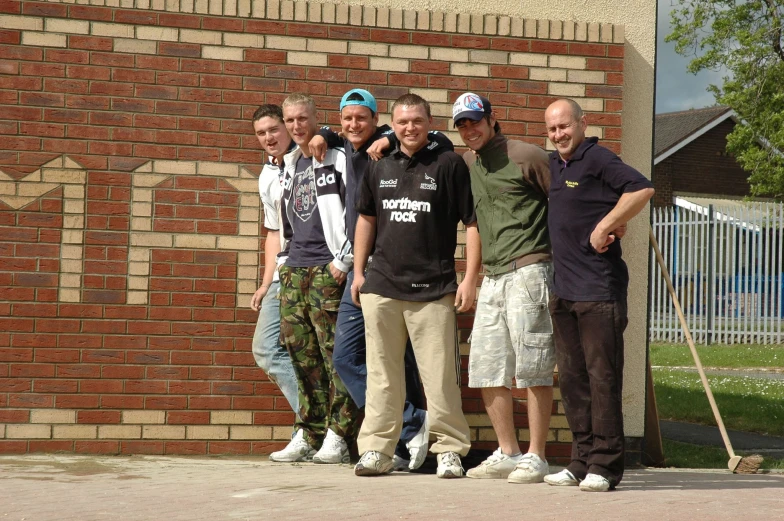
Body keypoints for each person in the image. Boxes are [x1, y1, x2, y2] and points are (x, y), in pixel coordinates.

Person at [309, 89, 454, 471]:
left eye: (362, 118)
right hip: (370, 274)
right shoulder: (345, 145)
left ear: (377, 122)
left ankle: (412, 440)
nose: (353, 125)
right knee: (352, 358)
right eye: (346, 119)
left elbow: (440, 138)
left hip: (414, 277)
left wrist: (390, 135)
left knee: (408, 365)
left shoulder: (390, 144)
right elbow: (365, 218)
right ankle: (413, 424)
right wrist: (324, 130)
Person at [351, 93, 477, 478]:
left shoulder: (449, 163)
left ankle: (450, 451)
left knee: (440, 378)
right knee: (382, 376)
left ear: (428, 122)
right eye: (403, 122)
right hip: (382, 286)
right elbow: (366, 219)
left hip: (434, 289)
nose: (410, 128)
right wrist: (359, 273)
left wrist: (470, 278)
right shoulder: (378, 164)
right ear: (393, 124)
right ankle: (376, 450)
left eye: (417, 121)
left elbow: (472, 223)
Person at [543, 98, 654, 492]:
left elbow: (641, 188)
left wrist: (607, 223)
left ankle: (606, 466)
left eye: (565, 127)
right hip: (564, 291)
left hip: (598, 290)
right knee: (573, 380)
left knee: (601, 379)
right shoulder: (556, 163)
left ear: (581, 124)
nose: (559, 135)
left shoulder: (597, 158)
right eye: (553, 129)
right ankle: (581, 460)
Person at [452, 93, 556, 483]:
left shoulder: (526, 156)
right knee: (487, 366)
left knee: (533, 367)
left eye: (475, 121)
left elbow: (564, 205)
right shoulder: (468, 162)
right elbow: (419, 140)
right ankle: (508, 451)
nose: (469, 130)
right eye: (462, 124)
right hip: (492, 278)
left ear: (492, 119)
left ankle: (537, 456)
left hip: (531, 271)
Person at [268, 93, 359, 464]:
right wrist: (283, 263)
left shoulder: (336, 155)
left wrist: (345, 260)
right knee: (302, 357)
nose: (295, 126)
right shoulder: (289, 163)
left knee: (335, 355)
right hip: (295, 270)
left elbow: (356, 209)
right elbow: (284, 220)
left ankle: (338, 436)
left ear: (315, 118)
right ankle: (309, 431)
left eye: (302, 119)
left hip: (328, 268)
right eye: (289, 120)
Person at [249, 104, 299, 429]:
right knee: (266, 349)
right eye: (261, 133)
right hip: (282, 272)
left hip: (313, 269)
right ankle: (315, 425)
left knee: (313, 354)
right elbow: (273, 232)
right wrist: (266, 283)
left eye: (273, 129)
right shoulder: (267, 174)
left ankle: (313, 431)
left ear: (288, 127)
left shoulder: (308, 160)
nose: (268, 137)